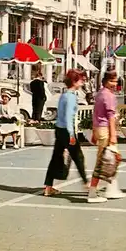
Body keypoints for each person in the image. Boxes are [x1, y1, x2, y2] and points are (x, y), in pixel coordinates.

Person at [44, 69, 88, 197]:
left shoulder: (64, 95)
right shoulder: (71, 97)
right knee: (78, 157)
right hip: (66, 131)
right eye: (80, 80)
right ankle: (86, 184)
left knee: (55, 158)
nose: (82, 82)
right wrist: (72, 135)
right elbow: (69, 117)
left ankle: (48, 187)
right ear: (74, 81)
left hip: (59, 129)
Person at [88, 71, 126, 203]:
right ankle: (93, 192)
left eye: (116, 82)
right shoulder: (109, 96)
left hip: (99, 129)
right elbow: (110, 117)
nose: (114, 84)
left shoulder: (100, 94)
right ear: (105, 81)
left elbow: (96, 114)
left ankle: (112, 188)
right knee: (104, 161)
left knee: (111, 159)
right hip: (105, 130)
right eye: (112, 81)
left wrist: (94, 133)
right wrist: (113, 135)